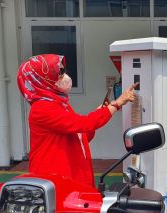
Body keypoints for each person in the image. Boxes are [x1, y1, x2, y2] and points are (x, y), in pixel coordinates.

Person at [17, 54, 136, 187]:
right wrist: (116, 104)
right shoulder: (42, 108)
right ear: (42, 79)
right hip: (54, 179)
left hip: (66, 174)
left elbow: (78, 134)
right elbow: (83, 124)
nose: (65, 76)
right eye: (59, 73)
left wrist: (101, 112)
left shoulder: (58, 103)